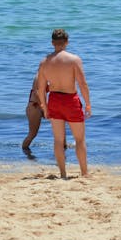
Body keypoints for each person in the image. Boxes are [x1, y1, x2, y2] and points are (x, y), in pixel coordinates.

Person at [36, 29, 92, 178]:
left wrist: (44, 106)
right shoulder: (74, 60)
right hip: (70, 100)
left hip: (54, 99)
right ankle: (84, 173)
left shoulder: (44, 62)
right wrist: (87, 104)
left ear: (52, 43)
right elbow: (83, 84)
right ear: (66, 42)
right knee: (79, 139)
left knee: (58, 140)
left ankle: (62, 173)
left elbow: (40, 88)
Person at [21, 74, 66, 158]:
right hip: (35, 106)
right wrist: (44, 108)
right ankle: (25, 154)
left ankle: (63, 149)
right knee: (32, 134)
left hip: (41, 106)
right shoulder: (39, 77)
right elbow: (37, 93)